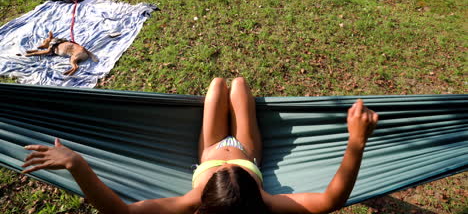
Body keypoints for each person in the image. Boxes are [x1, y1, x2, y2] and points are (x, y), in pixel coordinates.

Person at [22, 77, 378, 214]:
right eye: (229, 172)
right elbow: (332, 200)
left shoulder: (193, 201)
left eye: (220, 176)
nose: (226, 167)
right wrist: (356, 143)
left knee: (218, 85)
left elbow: (121, 213)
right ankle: (240, 125)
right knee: (238, 85)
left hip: (206, 151)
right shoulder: (266, 202)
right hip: (248, 152)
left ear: (204, 199)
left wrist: (77, 164)